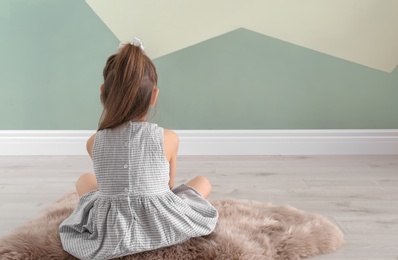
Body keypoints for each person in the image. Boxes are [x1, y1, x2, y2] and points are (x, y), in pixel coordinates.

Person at [59, 37, 219, 260]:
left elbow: (108, 183)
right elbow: (169, 185)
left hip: (112, 231)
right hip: (162, 223)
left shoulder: (94, 141)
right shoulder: (168, 138)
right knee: (203, 182)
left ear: (103, 92)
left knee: (84, 180)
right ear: (154, 95)